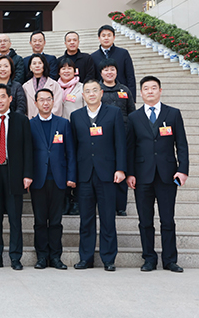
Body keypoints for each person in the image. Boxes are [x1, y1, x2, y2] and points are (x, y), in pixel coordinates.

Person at [126, 76, 188, 273]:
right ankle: (149, 259)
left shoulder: (173, 114)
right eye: (146, 88)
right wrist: (130, 173)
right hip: (142, 175)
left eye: (154, 88)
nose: (150, 91)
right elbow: (130, 148)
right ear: (141, 93)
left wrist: (183, 170)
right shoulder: (134, 117)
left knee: (167, 220)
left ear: (160, 91)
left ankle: (170, 260)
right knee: (145, 221)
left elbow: (182, 144)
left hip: (167, 175)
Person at [70, 79, 127, 271]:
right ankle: (86, 258)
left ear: (101, 93)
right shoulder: (76, 116)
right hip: (84, 175)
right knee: (86, 219)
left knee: (108, 218)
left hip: (108, 174)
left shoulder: (114, 113)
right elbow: (73, 148)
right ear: (83, 95)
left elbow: (120, 143)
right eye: (87, 91)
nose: (91, 94)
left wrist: (121, 169)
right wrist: (73, 175)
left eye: (95, 90)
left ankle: (108, 259)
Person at [0, 84, 33, 271]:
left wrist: (27, 174)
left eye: (3, 97)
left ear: (10, 99)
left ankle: (15, 257)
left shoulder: (21, 120)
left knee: (15, 219)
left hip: (14, 174)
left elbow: (28, 149)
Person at [28, 88, 76, 270]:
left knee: (56, 221)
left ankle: (56, 257)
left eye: (48, 99)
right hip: (38, 179)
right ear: (36, 103)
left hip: (59, 179)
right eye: (41, 100)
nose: (45, 103)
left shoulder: (63, 123)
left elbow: (70, 152)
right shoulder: (30, 124)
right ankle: (41, 257)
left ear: (54, 101)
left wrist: (71, 176)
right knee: (40, 221)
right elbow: (27, 154)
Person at [99, 58, 136, 217]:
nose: (109, 72)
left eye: (112, 69)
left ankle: (121, 206)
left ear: (117, 71)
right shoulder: (97, 90)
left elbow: (132, 112)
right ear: (101, 72)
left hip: (124, 136)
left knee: (122, 167)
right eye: (106, 69)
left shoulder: (124, 90)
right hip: (103, 137)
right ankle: (105, 204)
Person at [56, 58, 84, 217]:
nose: (66, 71)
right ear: (59, 71)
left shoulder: (82, 87)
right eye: (63, 68)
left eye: (69, 68)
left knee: (77, 163)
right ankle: (65, 198)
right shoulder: (54, 86)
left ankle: (76, 200)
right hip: (59, 132)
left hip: (77, 131)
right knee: (62, 164)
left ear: (75, 71)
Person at [90, 24, 136, 101]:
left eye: (109, 35)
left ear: (114, 37)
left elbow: (130, 77)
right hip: (101, 96)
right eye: (103, 35)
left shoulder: (123, 53)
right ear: (99, 38)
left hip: (121, 94)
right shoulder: (93, 56)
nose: (106, 38)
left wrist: (132, 98)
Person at [23, 54, 63, 119]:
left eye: (40, 63)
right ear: (30, 67)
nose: (37, 66)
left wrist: (45, 118)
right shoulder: (25, 86)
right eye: (34, 63)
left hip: (50, 120)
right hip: (31, 121)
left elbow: (57, 107)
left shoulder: (54, 85)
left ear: (44, 65)